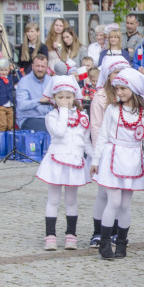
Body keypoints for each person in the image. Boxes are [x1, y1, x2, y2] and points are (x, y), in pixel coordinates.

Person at [91, 67, 144, 260]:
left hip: (133, 158)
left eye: (123, 88)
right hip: (113, 154)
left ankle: (122, 243)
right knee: (114, 201)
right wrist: (95, 160)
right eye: (117, 88)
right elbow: (102, 136)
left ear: (133, 89)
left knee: (125, 204)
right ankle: (105, 242)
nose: (119, 92)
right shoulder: (112, 109)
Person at [35, 75, 93, 251]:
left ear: (74, 97)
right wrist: (64, 111)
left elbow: (86, 141)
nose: (65, 101)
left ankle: (71, 235)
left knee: (71, 200)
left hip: (74, 160)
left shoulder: (82, 116)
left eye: (68, 97)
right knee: (53, 199)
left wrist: (95, 158)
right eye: (60, 97)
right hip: (56, 160)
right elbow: (59, 132)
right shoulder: (51, 116)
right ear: (54, 99)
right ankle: (50, 236)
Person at [86, 55, 130, 248]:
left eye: (122, 73)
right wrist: (100, 153)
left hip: (126, 153)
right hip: (105, 150)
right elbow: (96, 127)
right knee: (104, 194)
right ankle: (99, 231)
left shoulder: (131, 96)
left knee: (122, 196)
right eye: (115, 73)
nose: (118, 76)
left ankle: (117, 232)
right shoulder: (101, 96)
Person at [15, 54, 52, 133]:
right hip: (29, 118)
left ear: (47, 68)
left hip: (49, 117)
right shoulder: (24, 82)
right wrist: (40, 101)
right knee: (48, 130)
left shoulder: (51, 81)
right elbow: (21, 105)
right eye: (37, 66)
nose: (40, 69)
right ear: (32, 66)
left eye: (43, 66)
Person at [0, 59, 18, 131]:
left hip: (10, 104)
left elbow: (19, 78)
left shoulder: (11, 77)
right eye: (1, 70)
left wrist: (15, 69)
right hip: (1, 104)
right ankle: (1, 139)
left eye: (5, 70)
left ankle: (10, 140)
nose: (3, 72)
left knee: (11, 125)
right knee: (2, 125)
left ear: (8, 70)